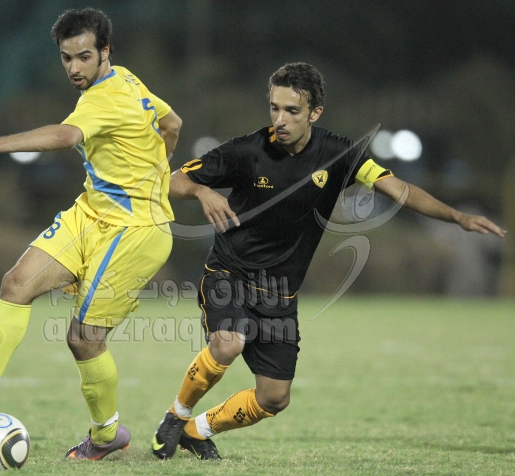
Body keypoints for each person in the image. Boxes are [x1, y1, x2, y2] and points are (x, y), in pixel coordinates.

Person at [151, 62, 506, 460]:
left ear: (315, 112)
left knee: (274, 398)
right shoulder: (246, 151)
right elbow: (174, 180)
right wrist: (202, 192)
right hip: (229, 272)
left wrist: (457, 217)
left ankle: (197, 430)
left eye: (292, 111)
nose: (280, 120)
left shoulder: (340, 153)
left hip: (279, 291)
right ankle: (175, 416)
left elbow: (399, 190)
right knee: (228, 343)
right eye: (274, 108)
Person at [0, 8, 182, 461]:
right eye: (67, 58)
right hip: (92, 212)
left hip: (135, 231)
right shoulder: (127, 79)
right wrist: (156, 169)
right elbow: (172, 124)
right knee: (16, 283)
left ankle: (107, 435)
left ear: (105, 51)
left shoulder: (105, 97)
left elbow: (66, 137)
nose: (75, 67)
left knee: (83, 338)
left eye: (84, 56)